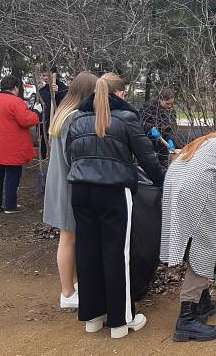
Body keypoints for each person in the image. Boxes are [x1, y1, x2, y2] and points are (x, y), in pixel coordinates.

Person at [66, 73, 163, 339]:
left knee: (87, 251)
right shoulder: (126, 119)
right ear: (118, 94)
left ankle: (92, 316)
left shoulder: (76, 120)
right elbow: (147, 158)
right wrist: (164, 183)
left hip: (81, 192)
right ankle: (121, 320)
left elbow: (69, 156)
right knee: (118, 253)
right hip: (114, 193)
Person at [160, 117, 216, 343]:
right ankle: (187, 319)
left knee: (191, 242)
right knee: (204, 247)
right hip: (197, 189)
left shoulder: (208, 140)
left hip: (173, 186)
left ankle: (202, 302)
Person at [43, 72, 98, 309]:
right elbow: (74, 155)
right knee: (67, 238)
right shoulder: (74, 118)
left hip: (60, 181)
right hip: (69, 184)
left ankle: (73, 285)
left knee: (70, 238)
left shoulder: (63, 113)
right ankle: (67, 293)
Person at [0, 75, 40, 213]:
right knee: (12, 177)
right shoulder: (16, 102)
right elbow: (27, 120)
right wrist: (36, 112)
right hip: (13, 147)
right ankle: (10, 205)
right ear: (15, 88)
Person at [140, 88, 180, 171]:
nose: (169, 106)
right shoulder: (148, 108)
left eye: (171, 104)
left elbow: (172, 128)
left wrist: (170, 139)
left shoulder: (171, 112)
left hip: (163, 146)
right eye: (167, 103)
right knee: (149, 167)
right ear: (160, 99)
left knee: (163, 166)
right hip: (149, 143)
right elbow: (139, 122)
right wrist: (150, 128)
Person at [38, 67, 69, 158]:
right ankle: (45, 156)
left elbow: (67, 101)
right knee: (44, 138)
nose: (46, 78)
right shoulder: (42, 91)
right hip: (45, 120)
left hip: (58, 120)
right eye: (43, 75)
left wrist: (58, 91)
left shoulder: (63, 88)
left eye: (48, 75)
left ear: (53, 75)